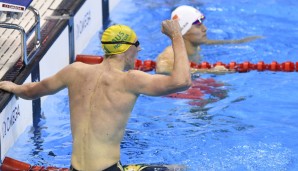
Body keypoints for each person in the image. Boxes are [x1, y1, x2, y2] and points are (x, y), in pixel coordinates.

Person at [0, 20, 191, 171]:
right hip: (108, 169)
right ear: (125, 48)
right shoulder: (131, 80)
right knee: (178, 169)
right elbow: (182, 81)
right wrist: (176, 35)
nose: (139, 49)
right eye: (137, 44)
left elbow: (31, 91)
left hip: (75, 168)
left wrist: (13, 87)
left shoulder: (74, 71)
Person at [156, 5, 263, 74]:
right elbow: (162, 67)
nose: (205, 29)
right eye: (198, 25)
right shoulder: (171, 53)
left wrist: (239, 42)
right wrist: (209, 71)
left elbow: (211, 42)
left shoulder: (196, 46)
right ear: (184, 31)